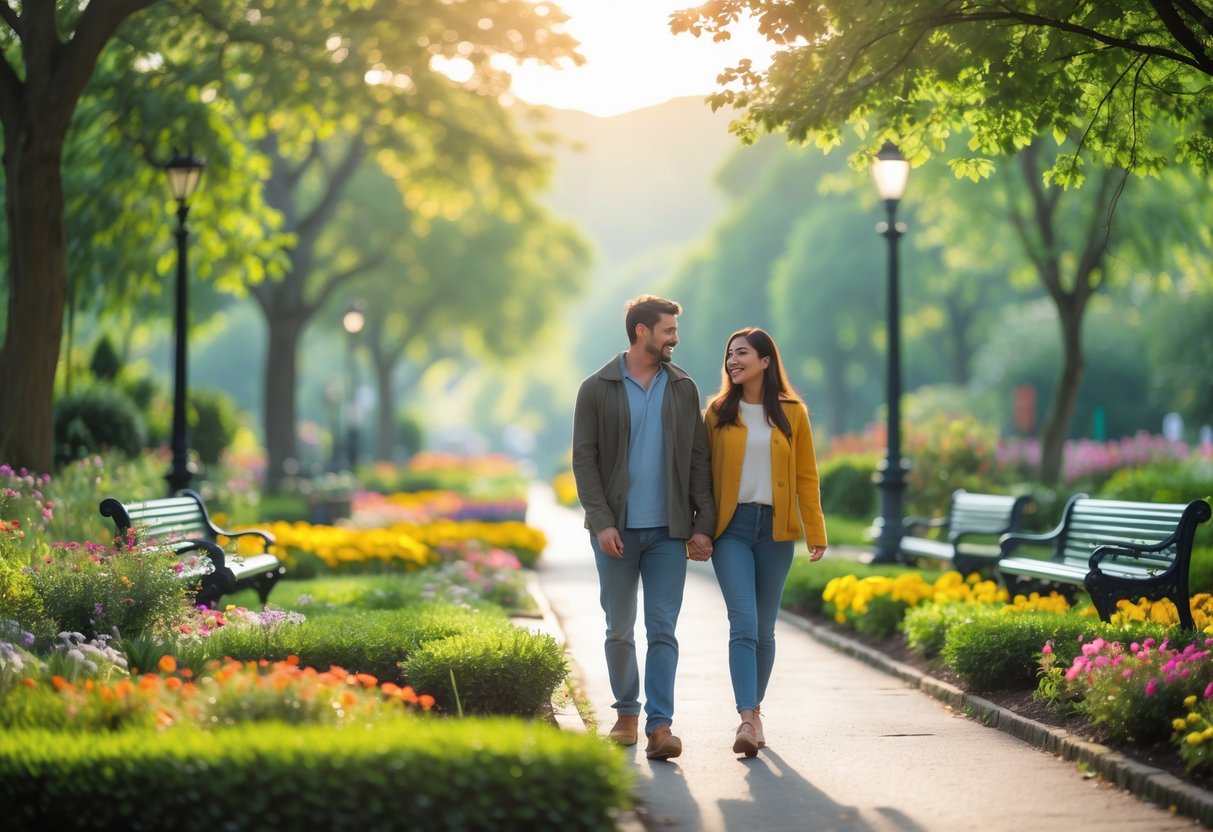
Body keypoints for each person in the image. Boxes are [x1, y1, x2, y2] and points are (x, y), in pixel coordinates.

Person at [571, 294, 716, 760]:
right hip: (616, 532)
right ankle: (627, 714)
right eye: (668, 330)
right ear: (642, 332)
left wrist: (702, 524)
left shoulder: (683, 387)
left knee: (662, 629)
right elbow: (584, 461)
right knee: (618, 628)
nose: (675, 338)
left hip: (668, 532)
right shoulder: (596, 388)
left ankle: (660, 726)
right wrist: (601, 522)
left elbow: (698, 460)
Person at [704, 327, 827, 757]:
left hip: (776, 531)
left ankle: (755, 713)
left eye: (742, 353)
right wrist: (699, 528)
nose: (732, 360)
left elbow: (807, 477)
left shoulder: (793, 413)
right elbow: (701, 477)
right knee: (743, 624)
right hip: (731, 529)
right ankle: (746, 718)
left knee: (765, 628)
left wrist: (816, 531)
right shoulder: (718, 412)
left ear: (765, 361)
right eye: (729, 354)